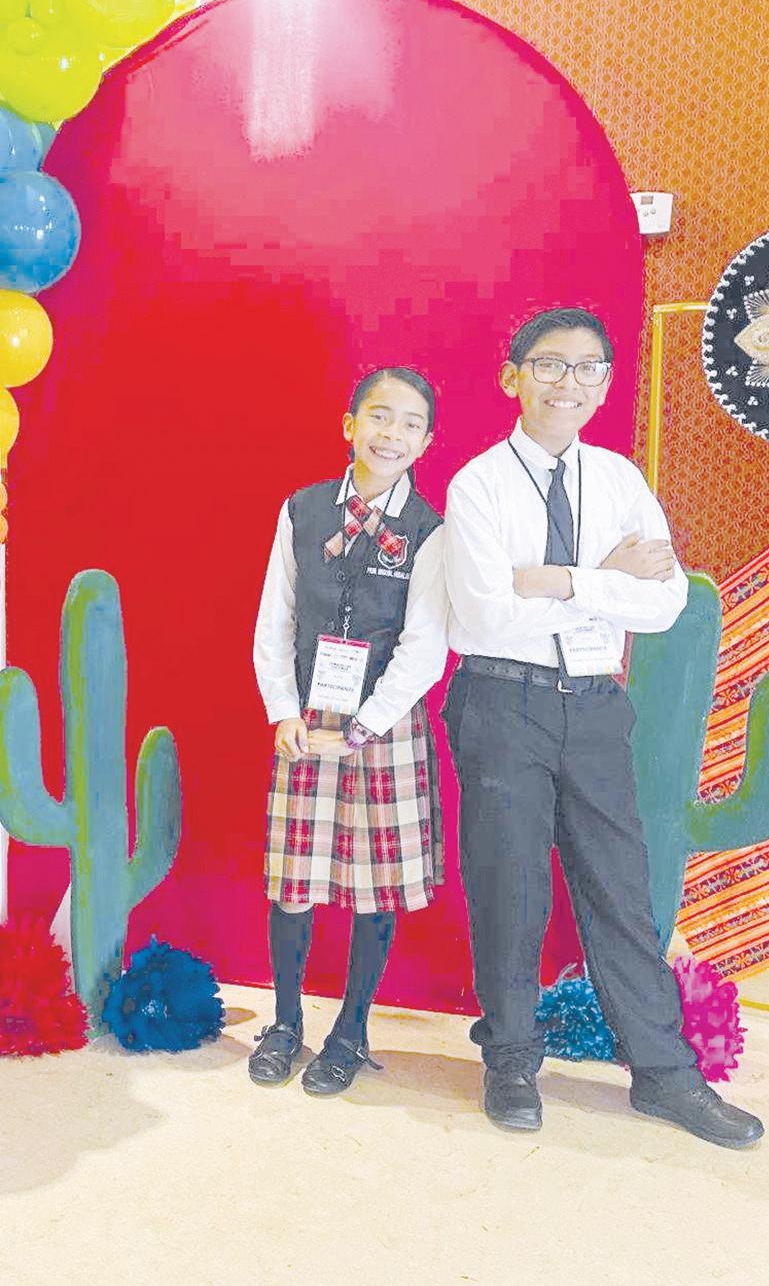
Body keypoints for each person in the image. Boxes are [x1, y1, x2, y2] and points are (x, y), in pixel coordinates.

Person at [442, 307, 763, 1147]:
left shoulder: (619, 480)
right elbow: (486, 615)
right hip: (502, 702)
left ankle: (663, 1071)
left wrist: (556, 578)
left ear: (606, 384)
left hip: (592, 704)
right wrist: (605, 576)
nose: (569, 383)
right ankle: (510, 1056)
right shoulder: (478, 485)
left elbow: (662, 602)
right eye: (550, 365)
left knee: (620, 888)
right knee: (510, 886)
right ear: (514, 377)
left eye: (589, 368)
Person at [250, 366, 448, 1095]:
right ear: (350, 424)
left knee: (376, 886)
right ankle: (285, 1022)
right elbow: (275, 618)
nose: (392, 434)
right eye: (380, 416)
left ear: (426, 442)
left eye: (410, 424)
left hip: (383, 723)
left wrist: (365, 725)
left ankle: (350, 1029)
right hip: (306, 719)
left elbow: (426, 645)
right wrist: (282, 709)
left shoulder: (429, 530)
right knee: (293, 879)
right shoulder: (302, 510)